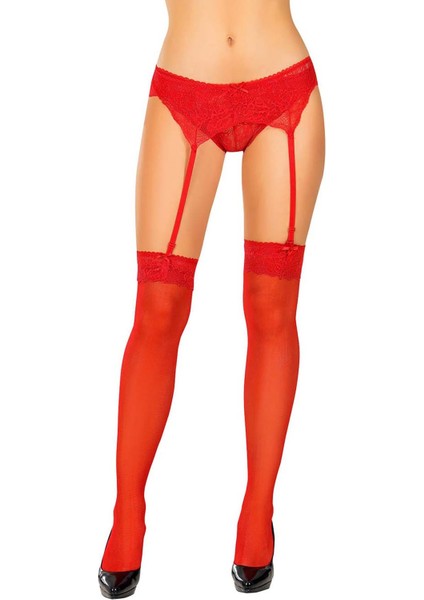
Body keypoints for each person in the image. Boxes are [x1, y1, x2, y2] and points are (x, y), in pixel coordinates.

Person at [98, 0, 325, 597]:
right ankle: (127, 513)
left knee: (272, 307)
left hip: (284, 85)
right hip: (185, 87)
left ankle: (258, 512)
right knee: (157, 309)